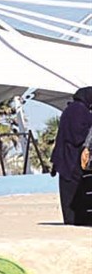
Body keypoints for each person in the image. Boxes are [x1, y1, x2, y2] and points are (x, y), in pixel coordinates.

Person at [49, 87, 92, 226]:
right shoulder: (80, 111)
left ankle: (71, 219)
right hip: (73, 158)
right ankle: (75, 220)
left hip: (64, 157)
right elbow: (77, 135)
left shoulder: (69, 109)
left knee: (68, 193)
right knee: (76, 191)